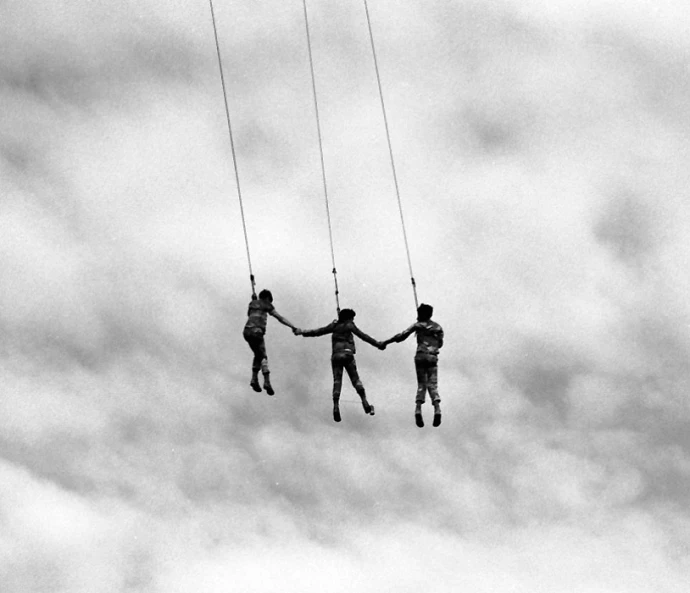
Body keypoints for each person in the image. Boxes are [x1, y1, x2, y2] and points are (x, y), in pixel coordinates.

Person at [294, 308, 385, 422]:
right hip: (347, 354)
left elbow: (317, 332)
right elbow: (363, 336)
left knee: (337, 381)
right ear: (349, 317)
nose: (353, 320)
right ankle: (364, 401)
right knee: (355, 380)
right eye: (352, 318)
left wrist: (302, 331)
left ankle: (336, 406)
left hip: (336, 355)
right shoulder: (350, 325)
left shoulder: (334, 326)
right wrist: (377, 344)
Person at [382, 304, 444, 428]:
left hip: (421, 356)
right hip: (432, 356)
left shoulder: (418, 326)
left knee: (422, 384)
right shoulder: (438, 327)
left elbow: (401, 336)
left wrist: (386, 342)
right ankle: (437, 409)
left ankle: (418, 409)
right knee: (432, 384)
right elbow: (440, 344)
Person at [243, 289, 297, 396]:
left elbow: (249, 314)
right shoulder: (267, 304)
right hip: (257, 331)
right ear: (268, 298)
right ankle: (266, 382)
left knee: (258, 354)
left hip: (247, 332)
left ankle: (254, 379)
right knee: (263, 357)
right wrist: (292, 326)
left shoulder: (252, 304)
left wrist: (254, 300)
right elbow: (279, 318)